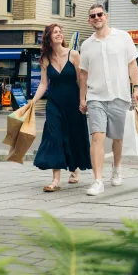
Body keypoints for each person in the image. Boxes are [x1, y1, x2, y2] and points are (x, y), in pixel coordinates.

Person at [79, 4, 138, 196]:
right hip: (96, 97)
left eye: (99, 14)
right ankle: (98, 180)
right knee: (96, 136)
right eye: (93, 16)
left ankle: (117, 167)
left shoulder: (123, 37)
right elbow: (83, 74)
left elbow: (132, 64)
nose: (97, 18)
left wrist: (136, 87)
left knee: (117, 138)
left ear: (106, 16)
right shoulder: (86, 45)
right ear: (89, 20)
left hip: (119, 95)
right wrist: (82, 98)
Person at [31, 23, 92, 192]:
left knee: (73, 136)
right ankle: (56, 179)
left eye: (60, 32)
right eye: (55, 32)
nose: (59, 34)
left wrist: (82, 100)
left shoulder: (73, 55)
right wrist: (33, 101)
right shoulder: (45, 59)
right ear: (48, 37)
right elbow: (44, 84)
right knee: (54, 136)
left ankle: (74, 169)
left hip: (73, 102)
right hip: (54, 103)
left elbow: (81, 80)